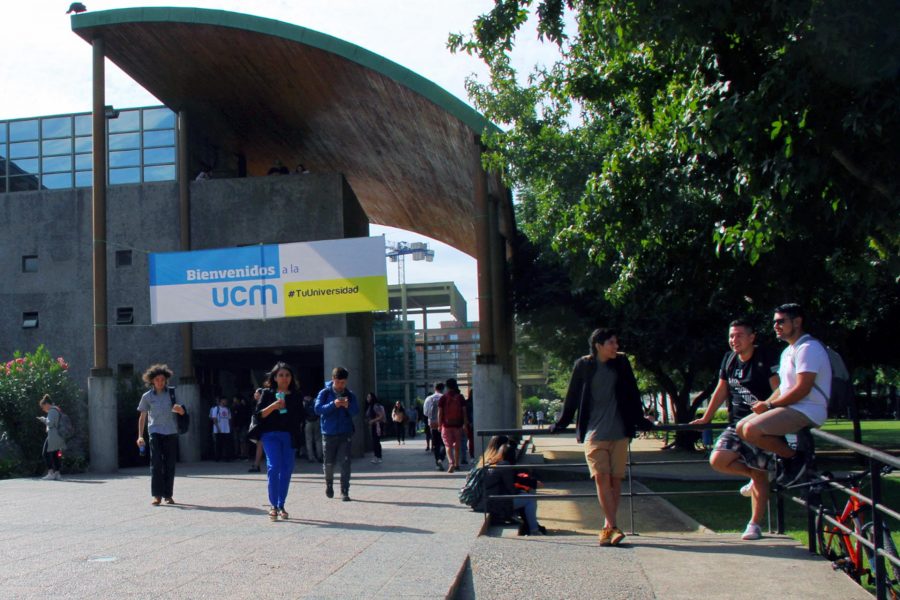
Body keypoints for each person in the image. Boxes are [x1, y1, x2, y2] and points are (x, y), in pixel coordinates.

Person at [550, 328, 653, 546]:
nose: (616, 347)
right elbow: (572, 396)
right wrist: (561, 422)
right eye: (612, 343)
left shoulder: (622, 364)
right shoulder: (584, 365)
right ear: (598, 345)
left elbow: (633, 394)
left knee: (615, 481)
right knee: (601, 477)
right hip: (594, 433)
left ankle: (609, 527)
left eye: (617, 342)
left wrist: (642, 421)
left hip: (619, 432)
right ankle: (612, 526)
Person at [690, 318, 779, 541]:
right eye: (731, 336)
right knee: (718, 459)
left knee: (760, 472)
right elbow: (722, 389)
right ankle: (756, 476)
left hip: (760, 426)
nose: (734, 340)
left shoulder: (764, 358)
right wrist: (707, 417)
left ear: (752, 337)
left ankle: (754, 524)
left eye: (739, 335)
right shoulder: (729, 359)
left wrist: (767, 405)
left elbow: (780, 389)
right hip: (735, 424)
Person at [737, 303, 831, 488]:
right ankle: (782, 460)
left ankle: (796, 460)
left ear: (797, 322)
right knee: (741, 427)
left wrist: (771, 407)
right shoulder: (788, 351)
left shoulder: (808, 348)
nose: (775, 326)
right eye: (774, 322)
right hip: (792, 407)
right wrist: (767, 402)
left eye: (781, 321)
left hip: (808, 409)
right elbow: (783, 388)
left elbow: (802, 388)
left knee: (751, 429)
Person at [254, 362, 304, 521]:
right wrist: (274, 406)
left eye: (287, 375)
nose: (284, 378)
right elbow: (258, 415)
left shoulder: (296, 395)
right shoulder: (267, 393)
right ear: (274, 377)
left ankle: (281, 504)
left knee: (287, 469)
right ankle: (273, 505)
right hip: (270, 435)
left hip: (289, 435)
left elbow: (301, 416)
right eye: (281, 375)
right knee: (274, 466)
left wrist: (289, 408)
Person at [477, 435, 546, 536]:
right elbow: (511, 488)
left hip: (483, 499)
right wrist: (526, 486)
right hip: (493, 502)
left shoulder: (486, 461)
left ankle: (532, 526)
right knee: (529, 498)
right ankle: (534, 530)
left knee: (524, 496)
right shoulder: (503, 464)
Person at [137, 364, 186, 506]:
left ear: (166, 381)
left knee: (170, 464)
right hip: (155, 432)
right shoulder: (147, 396)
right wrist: (140, 436)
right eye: (157, 379)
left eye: (162, 380)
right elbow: (142, 417)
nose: (160, 382)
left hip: (171, 432)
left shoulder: (172, 394)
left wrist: (180, 411)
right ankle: (157, 495)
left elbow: (183, 412)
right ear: (152, 381)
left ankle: (168, 495)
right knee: (156, 464)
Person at [315, 366, 360, 501]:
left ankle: (344, 490)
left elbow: (356, 411)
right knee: (328, 463)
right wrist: (333, 404)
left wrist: (347, 406)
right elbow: (317, 409)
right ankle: (329, 484)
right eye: (339, 382)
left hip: (345, 433)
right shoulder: (324, 393)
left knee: (345, 462)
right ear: (333, 379)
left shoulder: (350, 394)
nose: (341, 385)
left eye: (344, 383)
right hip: (328, 433)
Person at [438, 378, 468, 473]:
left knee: (448, 445)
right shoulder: (460, 397)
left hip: (446, 425)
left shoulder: (443, 398)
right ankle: (457, 464)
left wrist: (439, 425)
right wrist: (465, 424)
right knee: (457, 445)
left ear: (447, 387)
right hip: (458, 425)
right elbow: (464, 412)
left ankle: (451, 463)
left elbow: (440, 413)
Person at [36, 394, 65, 481]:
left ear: (46, 404)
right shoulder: (57, 409)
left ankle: (50, 473)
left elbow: (50, 423)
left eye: (43, 407)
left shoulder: (52, 411)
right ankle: (57, 474)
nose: (43, 409)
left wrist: (43, 419)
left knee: (45, 453)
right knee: (57, 454)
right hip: (59, 436)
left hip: (53, 436)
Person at [423, 382, 447, 470]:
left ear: (434, 388)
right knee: (445, 443)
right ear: (443, 388)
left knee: (436, 444)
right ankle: (441, 457)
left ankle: (437, 462)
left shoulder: (429, 398)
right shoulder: (445, 397)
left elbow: (425, 412)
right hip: (444, 423)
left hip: (433, 424)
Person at [209, 397, 233, 462]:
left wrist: (230, 427)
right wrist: (217, 428)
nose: (226, 402)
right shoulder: (216, 409)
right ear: (221, 401)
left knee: (227, 444)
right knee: (218, 444)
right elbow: (214, 419)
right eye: (225, 400)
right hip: (219, 429)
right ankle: (217, 458)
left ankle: (227, 457)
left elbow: (229, 419)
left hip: (226, 429)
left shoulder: (227, 409)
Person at [366, 392, 386, 464]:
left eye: (368, 397)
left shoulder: (375, 406)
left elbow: (381, 416)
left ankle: (378, 457)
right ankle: (377, 456)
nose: (367, 398)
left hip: (377, 426)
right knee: (375, 441)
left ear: (372, 398)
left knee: (376, 442)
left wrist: (372, 421)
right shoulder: (370, 406)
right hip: (374, 425)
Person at [302, 395, 323, 463]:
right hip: (316, 421)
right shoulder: (316, 401)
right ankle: (320, 456)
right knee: (318, 439)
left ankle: (311, 457)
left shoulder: (304, 403)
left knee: (309, 440)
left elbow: (303, 412)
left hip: (308, 422)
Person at [231, 395, 250, 460]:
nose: (234, 400)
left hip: (242, 426)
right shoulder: (234, 407)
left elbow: (244, 417)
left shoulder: (243, 407)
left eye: (235, 399)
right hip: (236, 426)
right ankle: (238, 454)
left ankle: (244, 455)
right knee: (236, 441)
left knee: (243, 440)